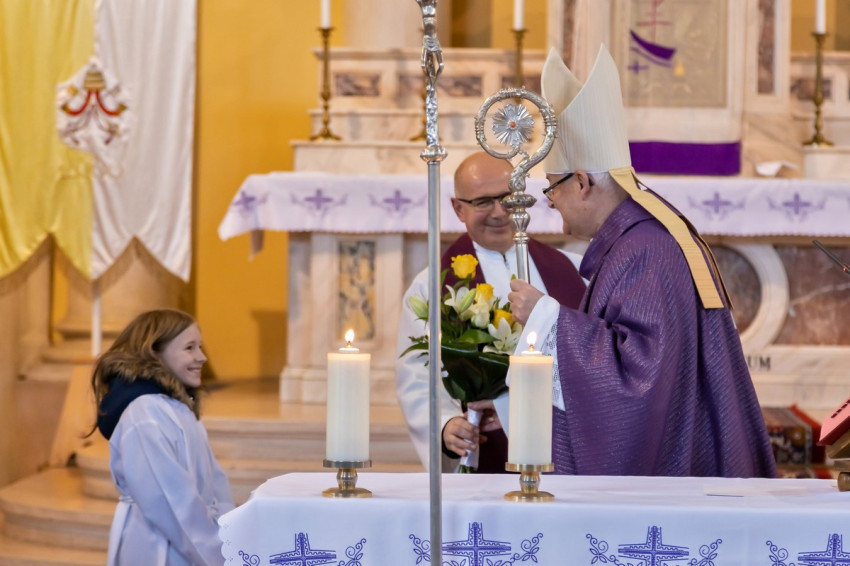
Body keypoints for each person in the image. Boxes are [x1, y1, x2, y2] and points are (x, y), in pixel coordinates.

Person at [483, 45, 777, 477]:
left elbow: (639, 376)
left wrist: (546, 318)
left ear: (581, 182)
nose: (550, 202)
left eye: (552, 188)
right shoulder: (637, 239)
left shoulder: (646, 250)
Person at [395, 151, 586, 473]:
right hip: (485, 451)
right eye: (483, 202)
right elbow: (415, 374)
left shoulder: (573, 271)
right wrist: (445, 424)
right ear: (458, 208)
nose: (500, 212)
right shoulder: (431, 287)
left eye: (508, 197)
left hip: (566, 448)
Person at [91, 309, 235, 565]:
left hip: (196, 538)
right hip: (160, 546)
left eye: (200, 346)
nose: (202, 357)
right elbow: (169, 501)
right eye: (189, 348)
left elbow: (215, 481)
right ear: (154, 353)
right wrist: (220, 553)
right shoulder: (145, 413)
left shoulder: (177, 407)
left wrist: (231, 532)